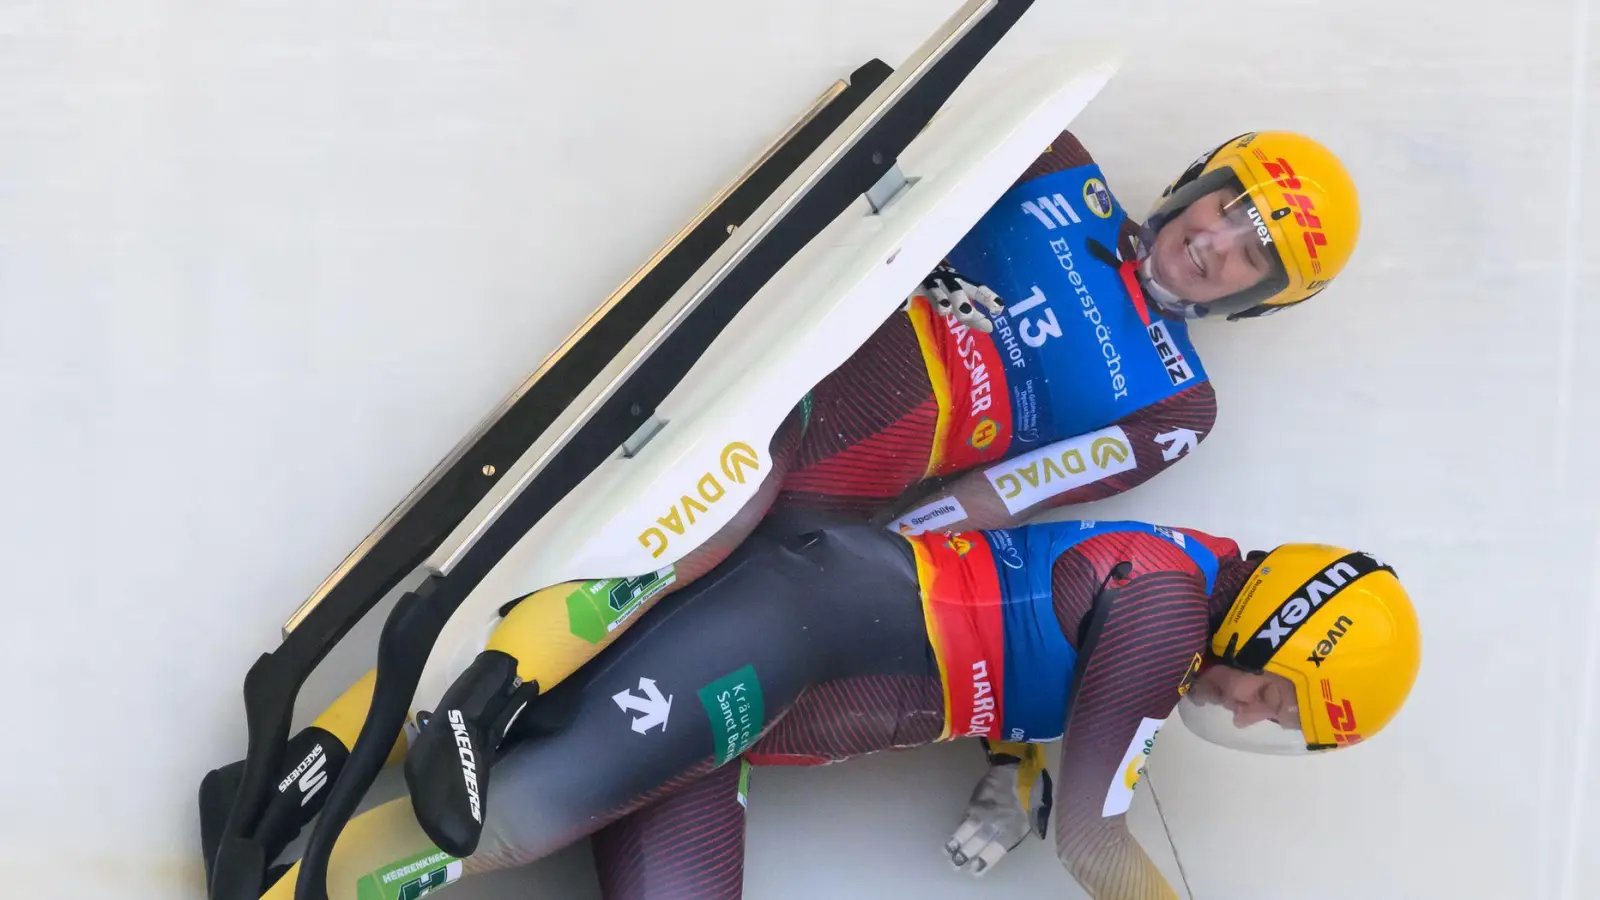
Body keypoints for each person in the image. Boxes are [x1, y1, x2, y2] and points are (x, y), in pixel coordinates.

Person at [230, 126, 1365, 890]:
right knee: (697, 540)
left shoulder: (1177, 399)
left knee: (681, 713)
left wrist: (900, 559)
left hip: (853, 507)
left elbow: (1023, 495)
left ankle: (410, 770)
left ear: (1257, 302)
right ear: (1198, 181)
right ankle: (401, 731)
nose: (1216, 245)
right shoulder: (1057, 168)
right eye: (1228, 208)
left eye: (1253, 258)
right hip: (786, 405)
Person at [260, 514, 1422, 900]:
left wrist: (1011, 780)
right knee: (515, 821)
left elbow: (1049, 727)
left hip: (760, 716)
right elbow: (1095, 835)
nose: (1254, 714)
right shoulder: (1168, 609)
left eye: (1277, 722)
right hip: (781, 636)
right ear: (1272, 622)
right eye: (1276, 695)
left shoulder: (1167, 622)